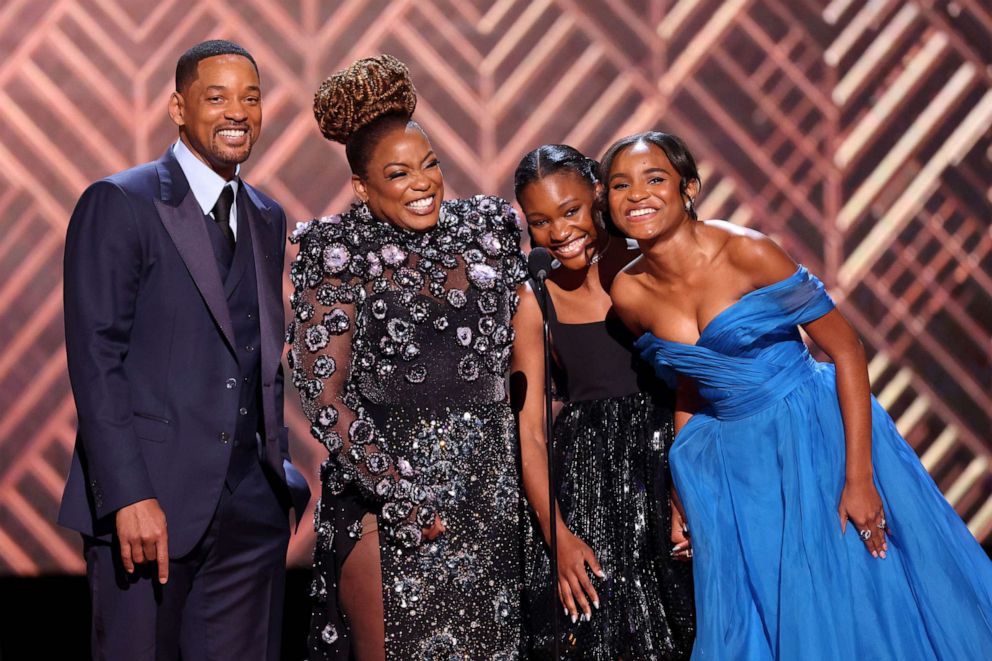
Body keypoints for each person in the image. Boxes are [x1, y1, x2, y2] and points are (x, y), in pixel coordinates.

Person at [605, 131, 992, 660]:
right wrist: (684, 492)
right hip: (735, 468)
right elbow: (691, 381)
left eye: (654, 179)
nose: (636, 195)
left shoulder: (750, 253)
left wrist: (859, 478)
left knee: (850, 603)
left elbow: (848, 350)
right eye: (619, 185)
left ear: (687, 186)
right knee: (770, 613)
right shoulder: (627, 292)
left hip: (813, 437)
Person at [58, 40, 310, 660]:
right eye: (216, 96)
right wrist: (126, 494)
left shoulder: (266, 215)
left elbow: (252, 353)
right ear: (177, 107)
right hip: (151, 508)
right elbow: (96, 359)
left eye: (250, 97)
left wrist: (276, 478)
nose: (238, 112)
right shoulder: (121, 202)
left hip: (250, 511)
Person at [288, 54, 528, 660]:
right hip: (387, 495)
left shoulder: (486, 230)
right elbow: (323, 392)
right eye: (398, 174)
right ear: (362, 187)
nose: (422, 182)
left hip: (490, 492)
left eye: (429, 164)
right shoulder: (337, 250)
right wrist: (400, 492)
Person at [510, 144, 695, 660]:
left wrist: (686, 492)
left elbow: (694, 384)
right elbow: (530, 434)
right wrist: (560, 538)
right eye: (541, 221)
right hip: (591, 491)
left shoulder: (648, 263)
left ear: (597, 194)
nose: (560, 231)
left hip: (671, 469)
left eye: (570, 211)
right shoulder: (535, 300)